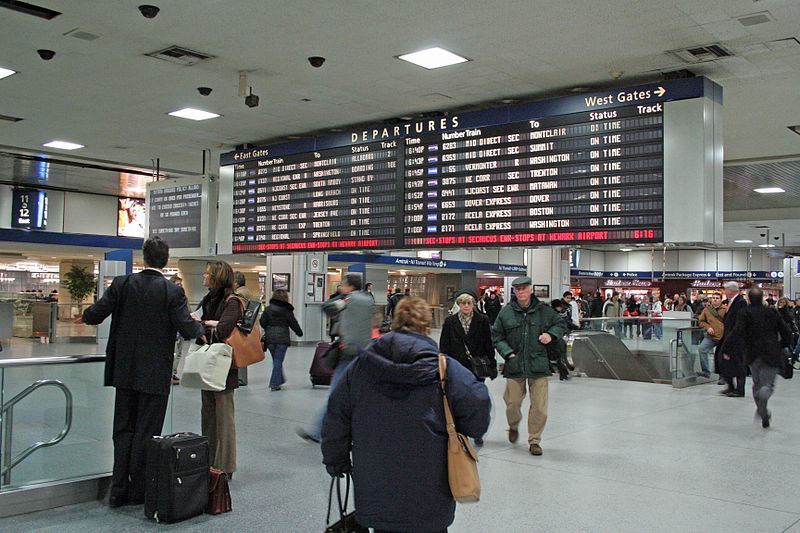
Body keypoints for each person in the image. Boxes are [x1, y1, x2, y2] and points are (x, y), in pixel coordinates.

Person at [322, 296, 490, 533]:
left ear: (394, 323)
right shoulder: (445, 369)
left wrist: (335, 460)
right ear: (426, 327)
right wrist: (464, 430)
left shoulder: (360, 368)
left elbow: (335, 416)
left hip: (376, 483)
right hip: (431, 483)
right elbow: (478, 408)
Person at [79, 236, 204, 507]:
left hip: (123, 371)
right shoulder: (172, 292)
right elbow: (188, 329)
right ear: (165, 260)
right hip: (155, 374)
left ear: (144, 257)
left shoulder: (122, 284)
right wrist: (201, 326)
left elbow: (94, 314)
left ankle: (118, 489)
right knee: (148, 432)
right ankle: (139, 491)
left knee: (123, 429)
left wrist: (85, 314)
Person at [492, 276, 566, 456]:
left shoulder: (544, 311)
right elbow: (496, 336)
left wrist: (551, 335)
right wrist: (507, 352)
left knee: (539, 407)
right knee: (512, 403)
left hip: (538, 364)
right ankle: (513, 425)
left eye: (524, 289)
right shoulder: (506, 312)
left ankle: (534, 440)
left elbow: (560, 323)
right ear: (514, 292)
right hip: (515, 364)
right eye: (518, 290)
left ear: (531, 290)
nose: (521, 292)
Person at [299, 273, 373, 443]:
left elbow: (328, 308)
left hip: (347, 354)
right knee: (360, 395)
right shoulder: (368, 300)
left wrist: (343, 295)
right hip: (364, 353)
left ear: (348, 286)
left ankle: (318, 431)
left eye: (343, 285)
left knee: (335, 395)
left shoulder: (347, 300)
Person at [198, 261, 242, 478]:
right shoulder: (208, 300)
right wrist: (209, 323)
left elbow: (223, 329)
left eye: (207, 274)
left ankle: (225, 466)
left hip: (224, 367)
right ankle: (209, 462)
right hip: (207, 363)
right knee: (208, 416)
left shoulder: (231, 301)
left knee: (224, 419)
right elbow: (203, 326)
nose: (203, 277)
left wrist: (205, 324)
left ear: (217, 277)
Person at [724, 288, 792, 427]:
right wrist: (783, 344)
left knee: (757, 382)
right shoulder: (772, 312)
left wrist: (727, 347)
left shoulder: (745, 312)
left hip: (753, 353)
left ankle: (762, 409)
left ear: (749, 299)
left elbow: (737, 331)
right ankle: (764, 394)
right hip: (772, 352)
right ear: (762, 298)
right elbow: (786, 330)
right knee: (768, 383)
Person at [259, 289, 303, 391]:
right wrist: (299, 332)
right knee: (278, 361)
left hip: (270, 338)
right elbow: (293, 323)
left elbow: (262, 322)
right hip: (282, 338)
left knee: (276, 360)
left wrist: (268, 327)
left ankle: (280, 379)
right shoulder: (287, 310)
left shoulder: (268, 309)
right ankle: (274, 383)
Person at [716, 281, 748, 397]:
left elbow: (739, 323)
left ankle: (740, 389)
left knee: (738, 363)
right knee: (723, 360)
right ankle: (730, 386)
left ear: (731, 290)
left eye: (726, 289)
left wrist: (732, 336)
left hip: (736, 338)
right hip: (728, 336)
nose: (724, 292)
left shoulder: (740, 302)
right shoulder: (731, 302)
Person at [696, 293, 726, 378]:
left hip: (722, 337)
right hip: (710, 336)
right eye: (713, 298)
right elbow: (701, 321)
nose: (715, 299)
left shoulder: (725, 309)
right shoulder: (707, 310)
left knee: (721, 356)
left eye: (717, 298)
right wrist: (708, 327)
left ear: (720, 300)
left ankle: (723, 375)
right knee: (702, 349)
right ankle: (705, 371)